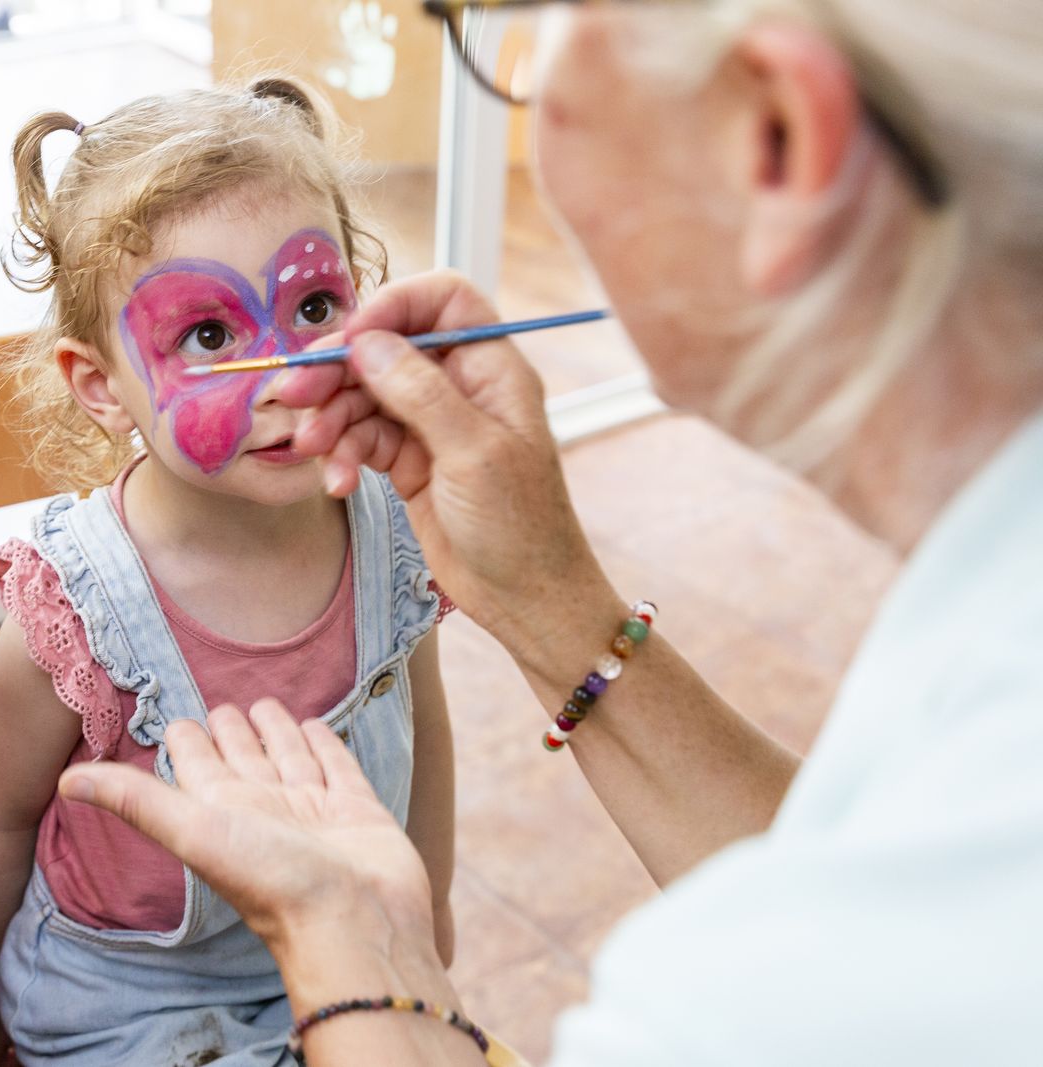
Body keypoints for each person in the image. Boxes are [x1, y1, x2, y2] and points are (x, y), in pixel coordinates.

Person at [52, 2, 1043, 1065]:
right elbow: (855, 900)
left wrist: (350, 938)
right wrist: (550, 595)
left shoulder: (726, 1010)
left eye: (519, 39)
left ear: (777, 138)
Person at [0, 78, 457, 1066]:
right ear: (99, 388)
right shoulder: (77, 606)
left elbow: (426, 744)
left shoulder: (394, 516)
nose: (283, 375)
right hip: (124, 1004)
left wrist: (425, 935)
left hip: (349, 947)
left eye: (315, 307)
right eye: (209, 335)